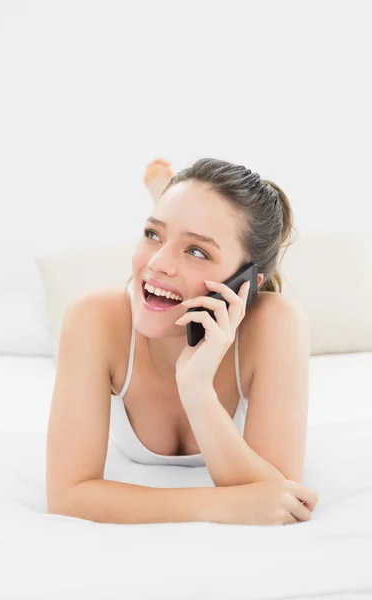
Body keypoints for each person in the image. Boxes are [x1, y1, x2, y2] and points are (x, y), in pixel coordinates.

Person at [46, 157, 319, 526]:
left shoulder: (275, 322)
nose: (157, 263)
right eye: (152, 233)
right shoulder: (93, 318)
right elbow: (68, 495)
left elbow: (282, 499)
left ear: (245, 283)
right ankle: (169, 198)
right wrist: (221, 506)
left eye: (197, 251)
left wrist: (197, 389)